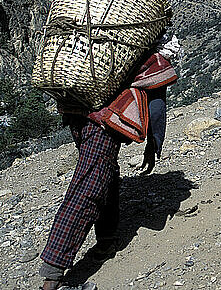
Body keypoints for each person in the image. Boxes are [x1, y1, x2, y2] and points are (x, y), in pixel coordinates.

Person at [39, 35, 181, 290]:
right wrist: (154, 143)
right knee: (89, 186)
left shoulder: (95, 50)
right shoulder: (150, 56)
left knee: (104, 172)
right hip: (102, 122)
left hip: (76, 112)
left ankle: (106, 240)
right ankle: (54, 271)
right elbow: (156, 106)